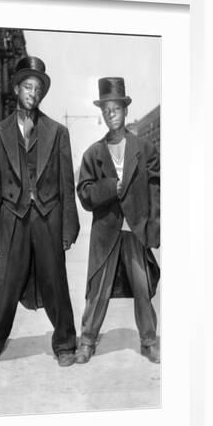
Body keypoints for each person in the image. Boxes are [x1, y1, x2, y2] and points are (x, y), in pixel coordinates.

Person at [0, 56, 80, 368]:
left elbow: (66, 182)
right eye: (27, 86)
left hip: (48, 214)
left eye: (37, 88)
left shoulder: (57, 131)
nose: (32, 92)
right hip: (13, 216)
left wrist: (68, 229)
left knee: (56, 281)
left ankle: (65, 343)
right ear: (16, 88)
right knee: (5, 283)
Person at [76, 77, 161, 364]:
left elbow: (155, 189)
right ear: (102, 114)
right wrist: (109, 187)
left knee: (142, 287)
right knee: (98, 289)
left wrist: (154, 225)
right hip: (106, 231)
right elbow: (85, 193)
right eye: (106, 109)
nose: (111, 113)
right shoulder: (93, 153)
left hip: (134, 229)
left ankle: (149, 341)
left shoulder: (144, 148)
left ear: (125, 111)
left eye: (116, 108)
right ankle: (87, 341)